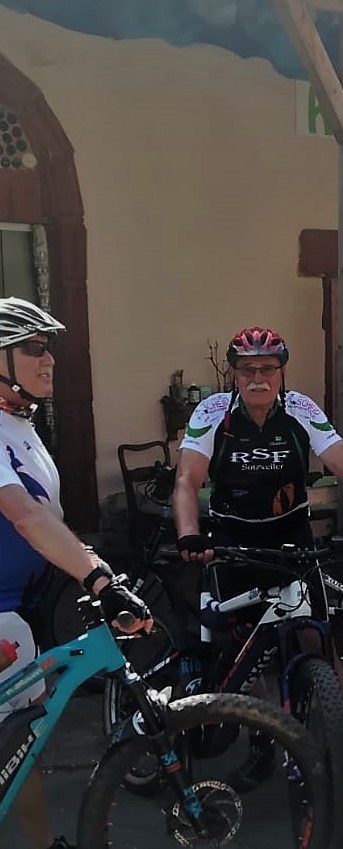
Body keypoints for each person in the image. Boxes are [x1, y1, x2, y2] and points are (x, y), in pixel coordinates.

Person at [172, 325, 343, 801]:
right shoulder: (212, 412)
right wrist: (189, 533)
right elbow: (187, 480)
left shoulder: (301, 409)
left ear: (282, 373)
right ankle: (263, 743)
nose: (258, 378)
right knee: (244, 648)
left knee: (317, 641)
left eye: (268, 369)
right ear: (233, 375)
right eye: (247, 370)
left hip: (291, 539)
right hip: (234, 540)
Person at [0, 297, 151, 849]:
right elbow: (24, 514)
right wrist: (98, 579)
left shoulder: (18, 422)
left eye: (49, 349)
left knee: (20, 743)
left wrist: (82, 564)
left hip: (16, 610)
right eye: (32, 348)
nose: (48, 360)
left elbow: (48, 517)